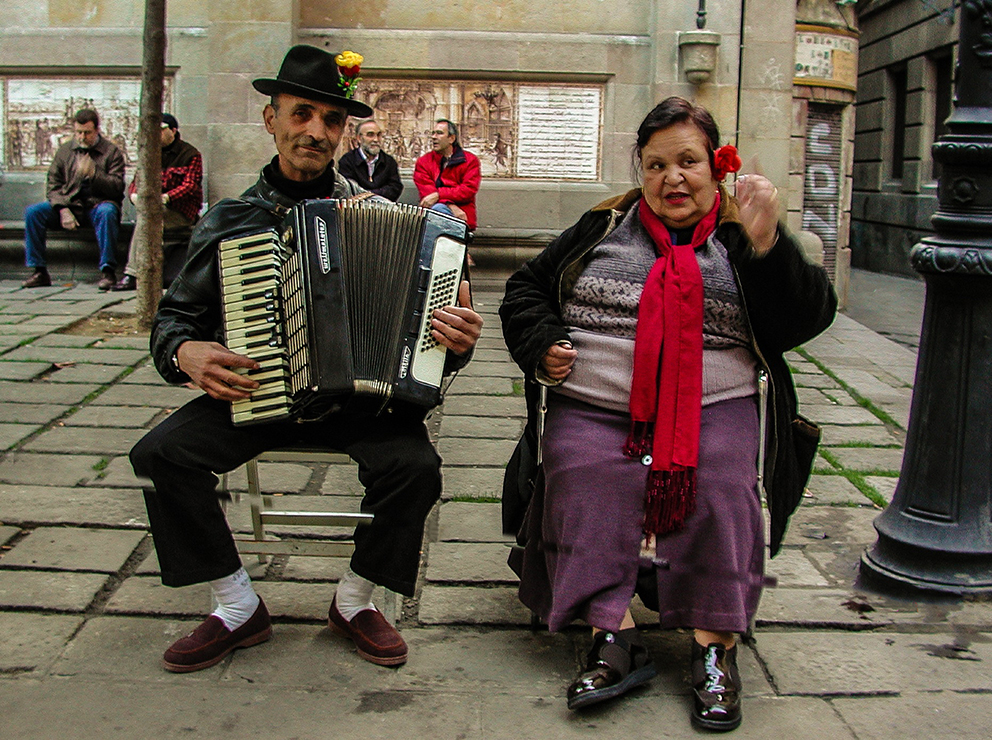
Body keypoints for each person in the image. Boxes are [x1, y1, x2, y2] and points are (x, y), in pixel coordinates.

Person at [129, 45, 483, 674]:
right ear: (272, 121)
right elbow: (173, 319)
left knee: (417, 466)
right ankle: (237, 606)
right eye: (301, 114)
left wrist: (454, 341)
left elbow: (430, 354)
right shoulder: (231, 220)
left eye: (330, 119)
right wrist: (185, 351)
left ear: (343, 130)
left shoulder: (385, 216)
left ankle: (354, 602)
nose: (315, 131)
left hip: (361, 400)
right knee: (161, 454)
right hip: (259, 393)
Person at [499, 97, 836, 730]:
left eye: (688, 161)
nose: (671, 178)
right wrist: (541, 342)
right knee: (582, 470)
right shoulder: (602, 226)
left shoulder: (743, 237)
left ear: (717, 165)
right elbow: (525, 288)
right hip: (597, 405)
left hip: (714, 404)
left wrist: (771, 247)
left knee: (722, 483)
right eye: (656, 165)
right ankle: (614, 635)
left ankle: (715, 648)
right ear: (640, 171)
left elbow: (806, 318)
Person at [22, 108, 125, 290]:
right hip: (70, 206)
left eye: (87, 133)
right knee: (33, 213)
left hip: (97, 206)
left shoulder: (111, 152)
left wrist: (94, 174)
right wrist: (62, 209)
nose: (82, 137)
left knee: (108, 212)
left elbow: (117, 188)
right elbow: (53, 185)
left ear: (97, 131)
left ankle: (108, 272)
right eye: (78, 132)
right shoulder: (65, 151)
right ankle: (39, 271)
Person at [112, 113, 203, 291]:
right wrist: (134, 196)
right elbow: (136, 182)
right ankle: (140, 272)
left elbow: (190, 186)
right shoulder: (149, 154)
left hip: (180, 212)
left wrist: (166, 197)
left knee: (149, 218)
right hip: (155, 210)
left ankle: (133, 273)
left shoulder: (190, 154)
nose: (157, 135)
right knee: (149, 216)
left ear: (173, 131)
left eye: (161, 130)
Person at [413, 119, 480, 231]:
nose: (434, 137)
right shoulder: (423, 162)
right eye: (433, 133)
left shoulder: (470, 161)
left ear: (451, 138)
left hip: (462, 215)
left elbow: (468, 190)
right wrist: (451, 205)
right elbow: (428, 195)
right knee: (438, 209)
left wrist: (439, 194)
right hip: (436, 212)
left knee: (438, 211)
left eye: (439, 133)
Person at [336, 119, 403, 201]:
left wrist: (368, 195)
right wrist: (375, 194)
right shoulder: (347, 161)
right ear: (359, 138)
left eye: (378, 135)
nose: (376, 140)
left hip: (383, 209)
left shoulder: (389, 162)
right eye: (370, 135)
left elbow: (394, 188)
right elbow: (348, 189)